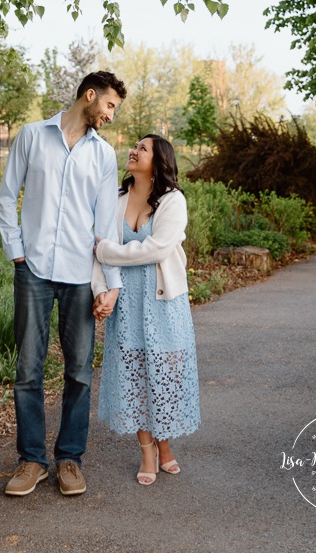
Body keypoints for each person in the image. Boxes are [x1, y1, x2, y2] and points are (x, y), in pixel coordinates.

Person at [0, 70, 127, 497]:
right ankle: (31, 460)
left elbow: (107, 224)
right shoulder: (32, 136)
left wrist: (111, 283)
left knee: (79, 372)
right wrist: (17, 252)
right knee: (28, 371)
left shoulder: (103, 156)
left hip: (80, 276)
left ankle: (69, 459)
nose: (110, 115)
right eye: (108, 105)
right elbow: (6, 195)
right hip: (32, 269)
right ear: (89, 96)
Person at [93, 134, 200, 484]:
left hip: (164, 303)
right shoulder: (115, 199)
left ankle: (165, 443)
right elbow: (96, 251)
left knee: (165, 377)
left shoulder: (173, 200)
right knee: (135, 377)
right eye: (134, 146)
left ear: (158, 160)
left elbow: (156, 248)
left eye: (142, 148)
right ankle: (148, 450)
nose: (133, 151)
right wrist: (102, 289)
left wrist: (109, 252)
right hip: (128, 305)